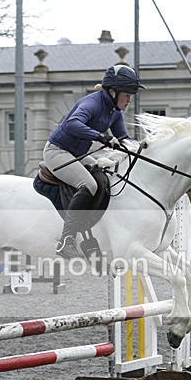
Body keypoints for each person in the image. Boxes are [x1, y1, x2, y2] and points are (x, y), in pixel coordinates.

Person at [43, 64, 145, 259]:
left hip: (75, 154)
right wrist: (102, 137)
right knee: (88, 184)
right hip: (57, 152)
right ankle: (67, 240)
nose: (130, 100)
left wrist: (143, 148)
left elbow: (123, 138)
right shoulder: (93, 104)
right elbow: (72, 123)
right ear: (113, 92)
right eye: (127, 94)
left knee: (106, 174)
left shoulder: (114, 112)